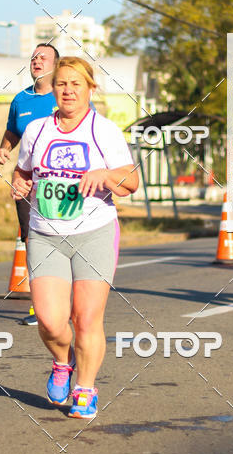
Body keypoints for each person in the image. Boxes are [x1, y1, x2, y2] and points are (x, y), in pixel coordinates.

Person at [11, 57, 138, 419]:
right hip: (45, 234)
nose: (68, 90)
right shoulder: (36, 130)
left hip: (94, 232)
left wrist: (104, 174)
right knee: (50, 321)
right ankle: (62, 360)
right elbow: (22, 172)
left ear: (90, 89)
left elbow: (131, 182)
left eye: (76, 84)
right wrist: (18, 184)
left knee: (85, 318)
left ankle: (85, 388)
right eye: (62, 83)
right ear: (53, 89)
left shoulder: (104, 130)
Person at [0, 43, 59, 325]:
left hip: (61, 184)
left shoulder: (66, 96)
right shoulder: (21, 100)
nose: (37, 60)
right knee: (33, 244)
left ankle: (66, 303)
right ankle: (41, 310)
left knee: (60, 242)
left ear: (56, 65)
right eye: (33, 57)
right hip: (26, 183)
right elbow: (12, 131)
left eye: (43, 57)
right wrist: (4, 148)